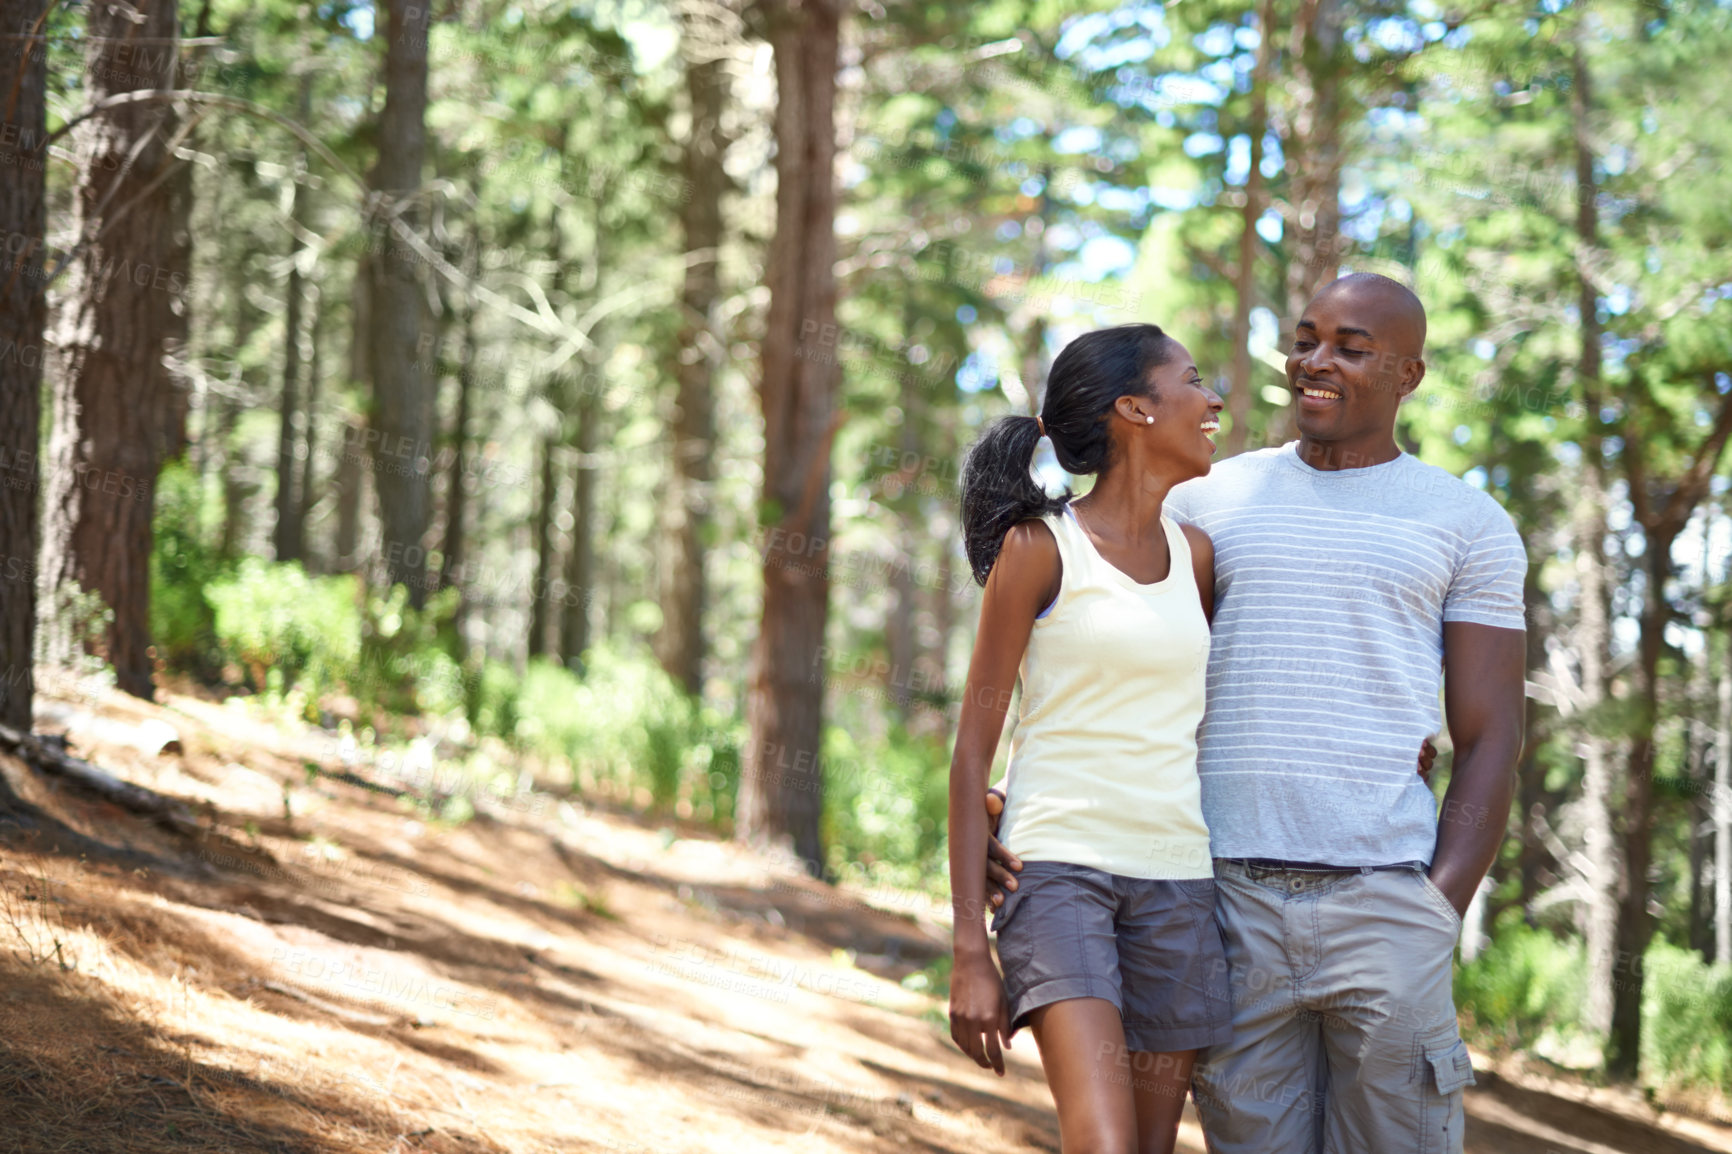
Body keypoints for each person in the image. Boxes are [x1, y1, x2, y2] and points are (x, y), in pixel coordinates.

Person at [984, 273, 1527, 1154]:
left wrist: (1440, 905)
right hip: (1223, 901)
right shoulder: (1205, 501)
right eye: (1307, 339)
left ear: (1409, 374)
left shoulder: (1468, 524)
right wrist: (1011, 787)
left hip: (1386, 899)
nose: (1314, 361)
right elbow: (1116, 657)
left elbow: (1492, 734)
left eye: (1351, 349)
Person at [947, 322, 1230, 1154]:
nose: (1213, 399)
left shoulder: (1199, 558)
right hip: (1061, 874)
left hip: (1178, 885)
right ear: (1134, 407)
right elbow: (971, 753)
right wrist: (969, 947)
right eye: (1194, 380)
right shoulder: (1040, 549)